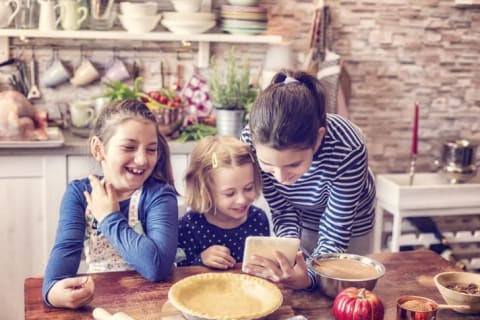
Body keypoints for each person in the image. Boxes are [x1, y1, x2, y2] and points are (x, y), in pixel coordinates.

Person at [241, 69, 376, 290]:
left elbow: (335, 231)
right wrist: (290, 254)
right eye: (269, 165)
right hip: (301, 213)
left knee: (336, 288)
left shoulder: (349, 147)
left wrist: (310, 278)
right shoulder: (250, 139)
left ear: (318, 138)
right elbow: (282, 210)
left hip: (350, 222)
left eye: (293, 164)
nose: (281, 178)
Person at [42, 99, 179, 309]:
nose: (142, 159)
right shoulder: (79, 195)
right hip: (101, 305)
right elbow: (59, 269)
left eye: (151, 149)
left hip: (156, 306)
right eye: (129, 147)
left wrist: (109, 218)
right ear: (99, 149)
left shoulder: (159, 196)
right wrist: (52, 294)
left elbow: (156, 266)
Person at [177, 135, 270, 269]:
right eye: (230, 193)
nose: (242, 200)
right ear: (205, 191)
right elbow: (179, 270)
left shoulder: (258, 219)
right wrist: (201, 259)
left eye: (248, 188)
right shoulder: (188, 226)